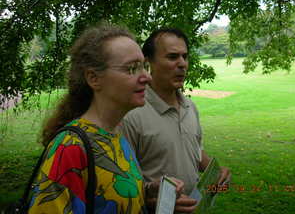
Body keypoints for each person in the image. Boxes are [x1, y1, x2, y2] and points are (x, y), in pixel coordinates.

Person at [27, 23, 192, 213]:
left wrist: (147, 191)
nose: (146, 77)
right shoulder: (70, 147)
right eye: (132, 69)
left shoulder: (116, 135)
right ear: (94, 78)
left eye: (144, 67)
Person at [119, 28, 231, 197]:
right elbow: (122, 182)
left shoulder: (190, 107)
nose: (182, 64)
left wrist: (215, 173)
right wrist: (153, 198)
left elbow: (196, 151)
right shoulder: (130, 114)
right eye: (172, 57)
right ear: (149, 63)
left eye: (184, 57)